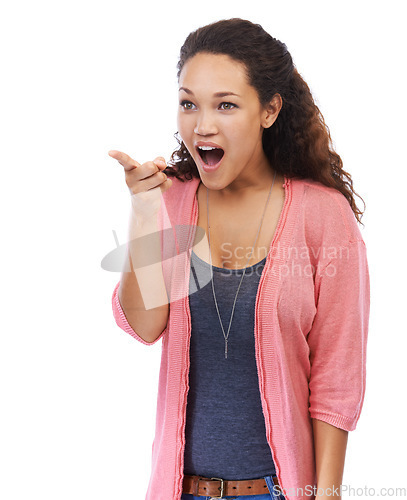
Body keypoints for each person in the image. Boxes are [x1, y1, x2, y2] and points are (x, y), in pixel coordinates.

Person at [109, 18, 370, 500]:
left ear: (269, 110)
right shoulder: (171, 201)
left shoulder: (322, 214)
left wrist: (326, 495)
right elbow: (144, 326)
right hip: (179, 490)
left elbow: (337, 376)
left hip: (277, 490)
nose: (202, 125)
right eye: (189, 103)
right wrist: (144, 212)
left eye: (225, 105)